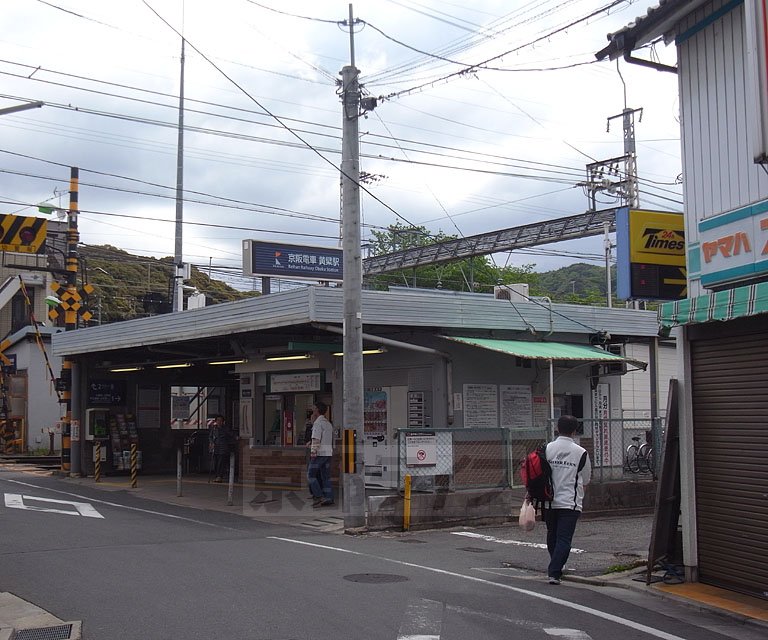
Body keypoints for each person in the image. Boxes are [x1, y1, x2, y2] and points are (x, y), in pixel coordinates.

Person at [544, 414, 591, 585]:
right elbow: (586, 480)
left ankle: (555, 565)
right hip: (570, 503)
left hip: (548, 500)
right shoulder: (581, 452)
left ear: (557, 428)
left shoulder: (547, 448)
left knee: (552, 535)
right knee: (564, 539)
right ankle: (554, 572)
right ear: (574, 430)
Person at [307, 401, 334, 507]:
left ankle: (319, 496)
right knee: (326, 476)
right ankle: (329, 497)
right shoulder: (328, 423)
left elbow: (316, 439)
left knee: (311, 475)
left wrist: (313, 451)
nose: (312, 411)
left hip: (319, 453)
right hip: (328, 453)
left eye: (313, 409)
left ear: (317, 410)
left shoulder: (318, 423)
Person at [208, 414, 234, 483]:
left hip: (223, 447)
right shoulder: (214, 428)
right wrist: (211, 443)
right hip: (216, 447)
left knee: (221, 462)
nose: (219, 422)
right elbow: (210, 436)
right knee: (216, 462)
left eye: (221, 420)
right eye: (218, 420)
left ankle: (220, 476)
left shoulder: (225, 428)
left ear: (223, 421)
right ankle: (216, 476)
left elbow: (231, 435)